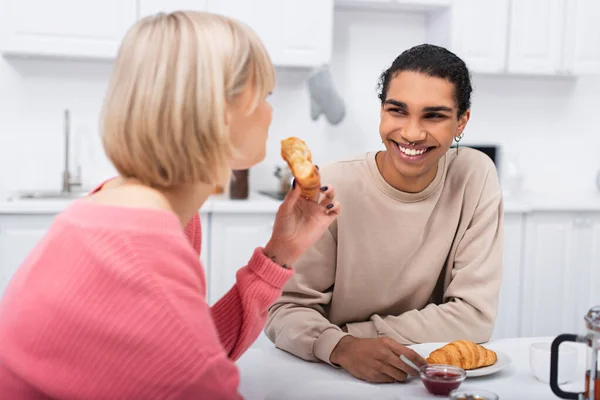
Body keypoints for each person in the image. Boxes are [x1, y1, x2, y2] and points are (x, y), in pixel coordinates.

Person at [0, 11, 340, 399]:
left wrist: (281, 252)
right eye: (265, 95)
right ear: (221, 110)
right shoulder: (141, 254)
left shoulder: (151, 212)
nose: (270, 112)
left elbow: (191, 352)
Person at [264, 44, 503, 384]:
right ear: (382, 111)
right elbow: (284, 311)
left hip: (423, 374)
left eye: (433, 116)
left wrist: (353, 336)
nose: (411, 133)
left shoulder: (475, 176)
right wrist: (342, 349)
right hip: (334, 376)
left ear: (461, 121)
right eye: (398, 111)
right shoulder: (333, 185)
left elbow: (475, 316)